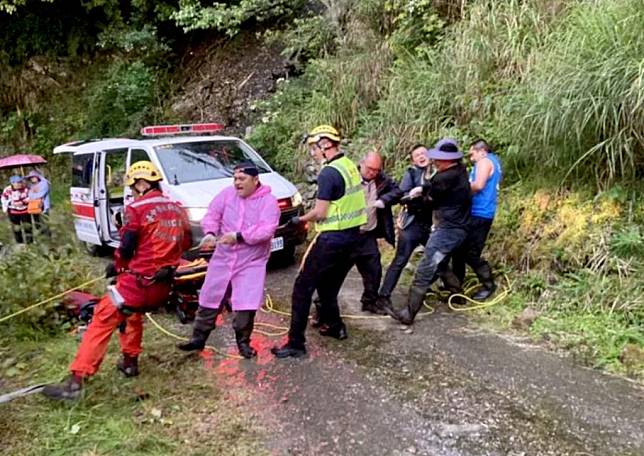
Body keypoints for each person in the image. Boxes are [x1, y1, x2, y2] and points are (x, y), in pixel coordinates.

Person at [42, 161, 192, 401]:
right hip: (163, 287)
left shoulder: (137, 209)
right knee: (131, 315)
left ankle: (76, 381)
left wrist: (119, 266)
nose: (132, 191)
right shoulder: (177, 209)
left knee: (102, 319)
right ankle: (130, 362)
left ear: (141, 184)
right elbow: (186, 243)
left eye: (133, 187)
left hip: (138, 285)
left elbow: (126, 247)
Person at [272, 125, 367, 358]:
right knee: (328, 285)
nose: (312, 153)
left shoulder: (328, 173)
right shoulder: (349, 166)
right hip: (355, 239)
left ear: (325, 145)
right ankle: (335, 326)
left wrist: (300, 219)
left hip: (332, 238)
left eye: (314, 148)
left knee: (302, 287)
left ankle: (295, 343)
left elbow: (322, 212)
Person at [177, 161, 280, 358]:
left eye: (242, 179)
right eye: (235, 179)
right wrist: (209, 232)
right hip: (223, 258)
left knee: (245, 304)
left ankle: (243, 344)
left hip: (251, 261)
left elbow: (266, 230)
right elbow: (212, 214)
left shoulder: (268, 201)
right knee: (209, 298)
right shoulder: (226, 195)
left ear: (255, 180)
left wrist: (239, 236)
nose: (237, 183)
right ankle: (198, 340)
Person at [382, 138, 471, 325]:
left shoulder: (443, 177)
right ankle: (458, 294)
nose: (434, 161)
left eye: (437, 158)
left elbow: (429, 201)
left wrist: (412, 199)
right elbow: (432, 188)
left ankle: (409, 313)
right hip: (458, 228)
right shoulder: (460, 171)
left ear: (446, 160)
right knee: (439, 265)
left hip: (447, 230)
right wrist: (421, 188)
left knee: (425, 269)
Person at [377, 145, 433, 308]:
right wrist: (415, 194)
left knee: (438, 258)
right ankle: (384, 296)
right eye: (417, 155)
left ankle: (449, 288)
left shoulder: (438, 172)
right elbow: (401, 196)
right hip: (412, 223)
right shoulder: (411, 173)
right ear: (413, 159)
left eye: (424, 153)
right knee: (400, 260)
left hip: (432, 225)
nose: (421, 157)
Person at [450, 139, 502, 300]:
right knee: (458, 249)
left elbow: (478, 185)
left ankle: (488, 285)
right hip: (476, 212)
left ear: (482, 151)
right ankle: (456, 287)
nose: (471, 157)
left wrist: (459, 186)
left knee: (471, 253)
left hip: (480, 213)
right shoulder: (494, 161)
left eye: (472, 153)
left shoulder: (485, 162)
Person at [1, 175, 32, 243]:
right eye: (17, 183)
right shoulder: (7, 189)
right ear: (12, 183)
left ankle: (30, 243)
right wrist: (11, 203)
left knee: (27, 227)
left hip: (25, 210)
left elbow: (31, 197)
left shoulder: (26, 188)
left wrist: (23, 202)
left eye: (20, 182)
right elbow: (3, 199)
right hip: (13, 212)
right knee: (16, 228)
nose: (19, 184)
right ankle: (19, 243)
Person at [25, 170, 51, 237]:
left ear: (37, 177)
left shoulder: (44, 184)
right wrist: (32, 196)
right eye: (31, 178)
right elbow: (29, 194)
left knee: (44, 223)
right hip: (34, 207)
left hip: (43, 206)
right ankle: (42, 237)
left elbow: (40, 194)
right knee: (37, 224)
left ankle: (48, 238)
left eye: (33, 177)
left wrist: (32, 197)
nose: (32, 179)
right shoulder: (32, 186)